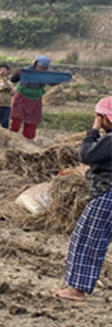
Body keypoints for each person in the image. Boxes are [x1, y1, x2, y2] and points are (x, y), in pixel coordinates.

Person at [53, 96, 112, 302]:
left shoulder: (110, 139)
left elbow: (86, 154)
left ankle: (77, 289)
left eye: (99, 117)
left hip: (107, 195)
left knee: (88, 239)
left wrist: (93, 131)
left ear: (106, 118)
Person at [9, 55, 51, 140]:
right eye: (41, 67)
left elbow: (52, 82)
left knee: (32, 121)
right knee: (17, 118)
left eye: (45, 68)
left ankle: (28, 140)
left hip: (35, 99)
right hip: (22, 96)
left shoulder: (46, 75)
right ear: (36, 65)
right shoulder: (27, 71)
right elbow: (13, 79)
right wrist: (16, 74)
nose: (42, 70)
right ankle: (12, 138)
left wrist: (60, 79)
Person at [0, 64, 14, 129]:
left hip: (7, 105)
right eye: (1, 70)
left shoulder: (9, 79)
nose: (3, 71)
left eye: (4, 70)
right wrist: (2, 88)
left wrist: (4, 79)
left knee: (5, 121)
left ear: (8, 71)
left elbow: (10, 87)